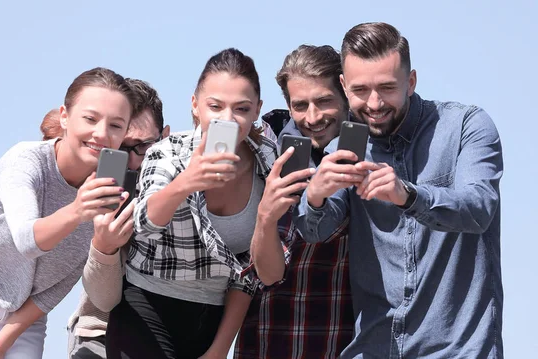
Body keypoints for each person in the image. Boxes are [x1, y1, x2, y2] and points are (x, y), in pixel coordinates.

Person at [295, 22, 504, 358]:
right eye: (361, 90)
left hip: (457, 349)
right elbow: (314, 231)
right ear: (345, 86)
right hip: (374, 348)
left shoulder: (467, 126)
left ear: (411, 82)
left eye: (387, 88)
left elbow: (478, 208)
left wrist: (408, 195)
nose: (375, 103)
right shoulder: (342, 148)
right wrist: (315, 196)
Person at [0, 67, 139, 358]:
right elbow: (27, 241)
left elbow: (54, 289)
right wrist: (76, 210)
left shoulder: (108, 194)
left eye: (116, 126)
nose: (101, 133)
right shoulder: (25, 161)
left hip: (22, 318)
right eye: (91, 119)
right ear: (65, 116)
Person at [103, 48, 278, 359]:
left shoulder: (267, 161)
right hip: (147, 303)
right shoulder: (169, 151)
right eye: (215, 106)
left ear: (257, 111)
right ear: (195, 105)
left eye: (241, 108)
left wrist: (220, 349)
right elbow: (142, 224)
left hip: (215, 313)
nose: (228, 119)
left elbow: (252, 271)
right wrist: (186, 182)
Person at [235, 45, 355, 359]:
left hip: (339, 340)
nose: (313, 117)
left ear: (345, 92)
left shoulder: (375, 147)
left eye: (324, 101)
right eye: (300, 105)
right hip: (266, 339)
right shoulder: (265, 150)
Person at [67, 78, 169, 359]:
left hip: (170, 334)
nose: (134, 161)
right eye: (123, 148)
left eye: (144, 146)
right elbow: (103, 299)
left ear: (165, 136)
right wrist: (105, 247)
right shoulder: (91, 189)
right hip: (99, 332)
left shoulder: (183, 182)